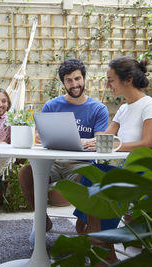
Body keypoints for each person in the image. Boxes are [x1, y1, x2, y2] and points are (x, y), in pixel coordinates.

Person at [78, 56, 152, 265]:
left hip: (146, 168)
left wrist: (109, 145)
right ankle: (99, 239)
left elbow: (147, 144)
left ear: (128, 80)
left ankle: (100, 243)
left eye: (111, 80)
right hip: (125, 167)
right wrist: (85, 141)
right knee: (91, 172)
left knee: (102, 179)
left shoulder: (150, 106)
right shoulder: (124, 109)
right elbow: (106, 137)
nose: (107, 85)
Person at [17, 59, 109, 246]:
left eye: (77, 78)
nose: (74, 84)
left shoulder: (98, 109)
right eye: (69, 80)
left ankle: (92, 231)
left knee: (92, 179)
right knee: (25, 173)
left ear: (84, 78)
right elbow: (39, 138)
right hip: (53, 162)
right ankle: (42, 220)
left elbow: (99, 142)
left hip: (81, 165)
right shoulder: (52, 106)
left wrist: (84, 142)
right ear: (63, 83)